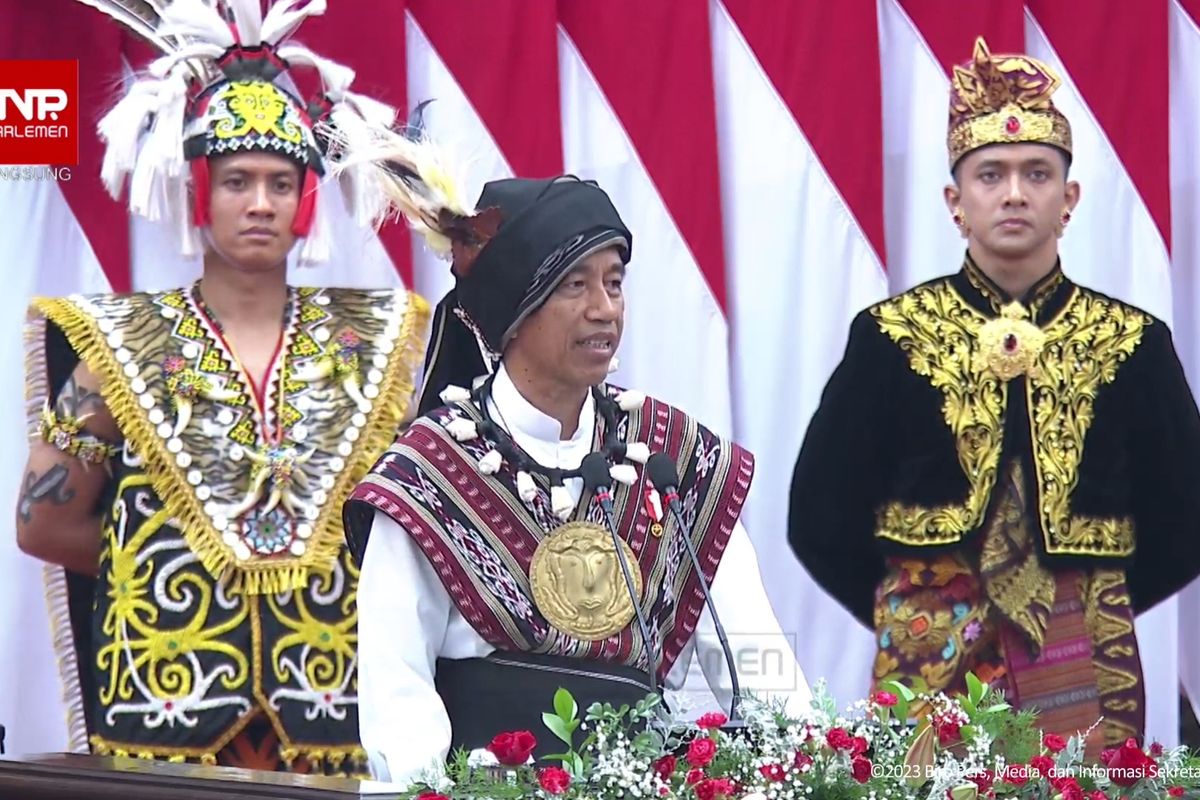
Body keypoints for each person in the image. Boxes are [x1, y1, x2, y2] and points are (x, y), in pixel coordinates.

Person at [16, 0, 429, 774]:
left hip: (336, 717)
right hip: (165, 715)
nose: (261, 202)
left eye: (281, 181)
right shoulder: (116, 341)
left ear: (307, 198)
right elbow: (44, 523)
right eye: (238, 180)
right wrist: (173, 563)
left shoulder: (381, 338)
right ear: (199, 189)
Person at [788, 37, 1200, 752]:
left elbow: (1188, 511)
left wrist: (1102, 599)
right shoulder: (891, 337)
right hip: (927, 638)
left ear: (1068, 198)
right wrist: (907, 602)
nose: (1014, 193)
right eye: (991, 174)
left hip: (1088, 647)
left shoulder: (1131, 341)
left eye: (1036, 173)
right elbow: (819, 513)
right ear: (956, 201)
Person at [341, 155, 811, 782]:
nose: (604, 309)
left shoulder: (669, 457)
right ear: (513, 311)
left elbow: (758, 662)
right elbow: (396, 693)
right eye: (573, 285)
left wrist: (807, 767)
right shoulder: (431, 473)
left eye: (614, 283)